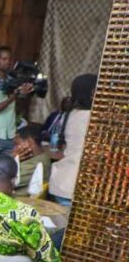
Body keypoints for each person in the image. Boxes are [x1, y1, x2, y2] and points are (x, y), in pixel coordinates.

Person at [0, 46, 34, 166]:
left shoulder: (11, 81)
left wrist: (26, 93)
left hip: (9, 134)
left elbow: (15, 107)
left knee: (7, 170)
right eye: (4, 59)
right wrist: (14, 96)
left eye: (9, 59)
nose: (8, 62)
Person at [49, 74, 97, 206]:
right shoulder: (92, 117)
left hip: (62, 180)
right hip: (76, 185)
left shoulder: (71, 113)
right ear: (92, 93)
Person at [12, 126, 51, 196]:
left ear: (29, 142)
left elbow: (0, 180)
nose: (14, 149)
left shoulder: (34, 165)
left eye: (17, 144)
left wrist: (12, 159)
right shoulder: (43, 156)